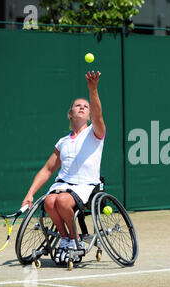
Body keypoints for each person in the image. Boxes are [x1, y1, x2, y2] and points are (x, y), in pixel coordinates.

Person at [21, 70, 106, 265]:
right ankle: (66, 238)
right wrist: (30, 193)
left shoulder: (95, 132)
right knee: (50, 202)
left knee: (63, 201)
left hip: (85, 185)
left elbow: (99, 114)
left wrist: (93, 89)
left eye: (86, 106)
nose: (82, 107)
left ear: (90, 113)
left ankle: (75, 241)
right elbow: (47, 170)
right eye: (78, 105)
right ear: (71, 113)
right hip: (63, 184)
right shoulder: (63, 142)